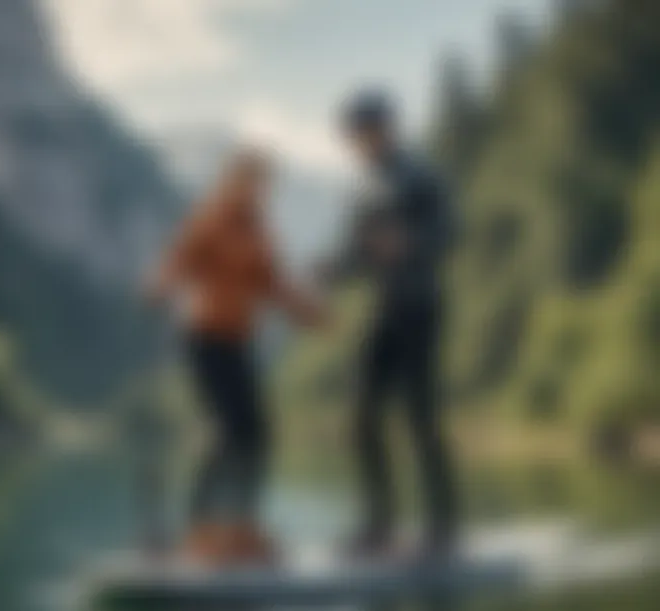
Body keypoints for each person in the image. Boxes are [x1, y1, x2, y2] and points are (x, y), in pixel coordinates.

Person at [147, 148, 324, 566]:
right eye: (249, 180)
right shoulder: (210, 221)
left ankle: (242, 528)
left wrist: (309, 314)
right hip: (204, 337)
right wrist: (159, 285)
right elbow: (179, 261)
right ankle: (202, 532)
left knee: (257, 435)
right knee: (229, 430)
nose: (257, 190)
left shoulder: (261, 233)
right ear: (231, 181)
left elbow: (274, 285)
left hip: (238, 342)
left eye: (263, 184)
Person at [321, 89, 459, 559]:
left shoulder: (419, 175)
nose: (357, 141)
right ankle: (379, 526)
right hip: (384, 309)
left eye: (363, 130)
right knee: (362, 416)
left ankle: (443, 531)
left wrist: (410, 243)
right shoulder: (364, 185)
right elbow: (360, 254)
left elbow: (450, 231)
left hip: (420, 305)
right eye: (352, 134)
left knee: (420, 417)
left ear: (385, 127)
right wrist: (334, 270)